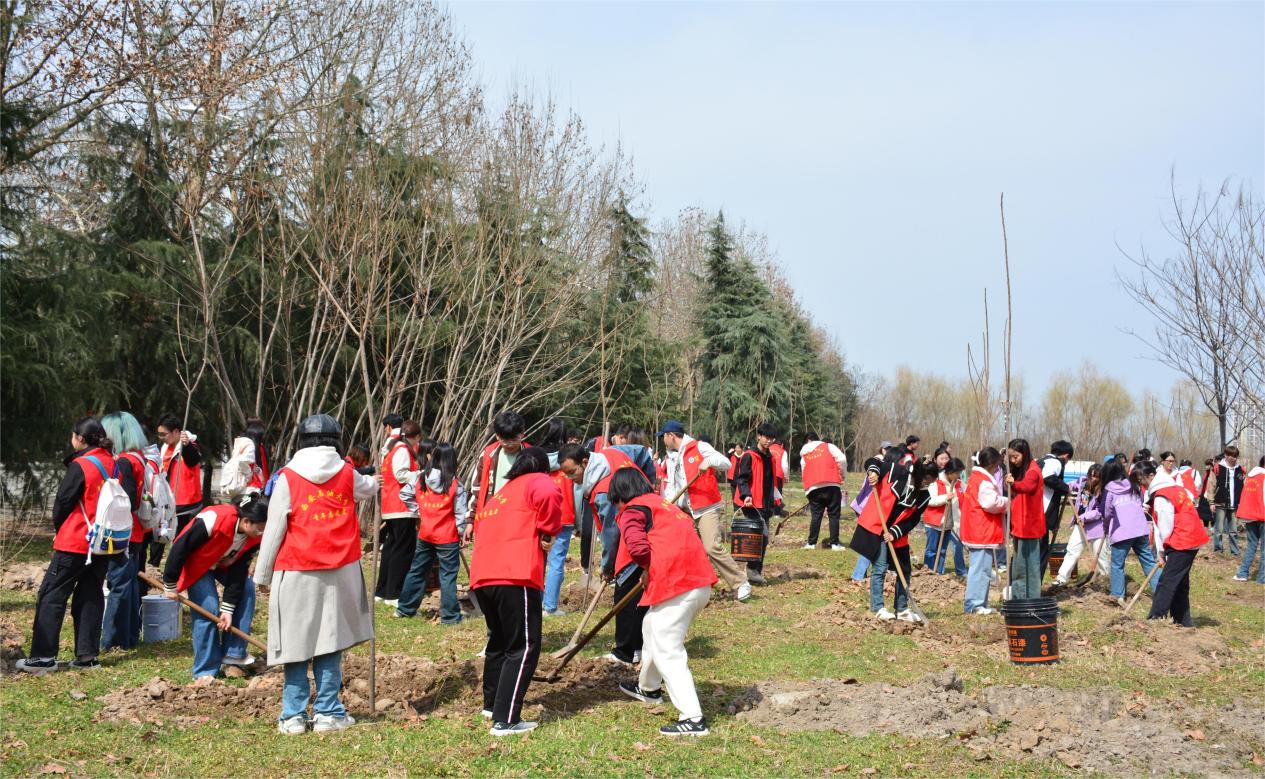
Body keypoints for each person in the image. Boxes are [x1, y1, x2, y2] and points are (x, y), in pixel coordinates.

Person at [254, 414, 380, 735]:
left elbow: (274, 529)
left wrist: (263, 575)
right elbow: (370, 487)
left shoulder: (287, 478)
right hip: (340, 571)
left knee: (296, 644)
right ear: (337, 440)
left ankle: (293, 716)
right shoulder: (349, 475)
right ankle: (327, 713)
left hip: (297, 568)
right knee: (330, 641)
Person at [608, 469, 718, 737]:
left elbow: (636, 546)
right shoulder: (664, 505)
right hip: (698, 582)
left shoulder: (633, 509)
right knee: (650, 626)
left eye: (615, 504)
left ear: (621, 496)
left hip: (676, 585)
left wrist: (645, 566)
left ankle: (693, 718)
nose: (617, 510)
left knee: (669, 649)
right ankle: (649, 687)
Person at [467, 447, 562, 736]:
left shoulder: (503, 493)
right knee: (523, 646)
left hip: (484, 576)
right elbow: (550, 496)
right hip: (515, 574)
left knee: (500, 641)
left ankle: (492, 705)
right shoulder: (538, 481)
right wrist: (548, 531)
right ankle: (506, 719)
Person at [17, 418, 119, 674]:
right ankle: (87, 657)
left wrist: (59, 528)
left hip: (76, 540)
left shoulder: (81, 465)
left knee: (51, 594)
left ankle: (42, 657)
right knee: (91, 594)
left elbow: (62, 503)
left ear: (79, 438)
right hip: (102, 542)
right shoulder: (113, 464)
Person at [558, 440, 657, 665]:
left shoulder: (603, 491)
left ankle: (624, 652)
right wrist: (649, 484)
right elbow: (641, 451)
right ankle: (639, 647)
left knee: (624, 597)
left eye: (572, 473)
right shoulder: (611, 452)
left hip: (632, 540)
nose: (571, 479)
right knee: (639, 595)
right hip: (644, 527)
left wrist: (608, 566)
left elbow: (612, 533)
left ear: (585, 462)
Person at [163, 493, 268, 677]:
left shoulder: (253, 538)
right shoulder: (214, 519)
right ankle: (205, 670)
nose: (261, 533)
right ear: (245, 522)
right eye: (259, 528)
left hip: (223, 564)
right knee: (208, 608)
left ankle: (233, 655)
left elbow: (238, 572)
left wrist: (227, 610)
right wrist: (170, 583)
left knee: (247, 588)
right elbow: (181, 547)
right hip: (198, 564)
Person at [660, 421, 752, 601]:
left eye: (663, 436)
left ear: (671, 436)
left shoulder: (699, 447)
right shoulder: (673, 457)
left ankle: (741, 583)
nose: (663, 440)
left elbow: (726, 463)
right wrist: (668, 504)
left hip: (705, 507)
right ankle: (695, 587)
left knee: (711, 547)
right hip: (685, 509)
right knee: (687, 548)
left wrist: (708, 461)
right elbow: (674, 484)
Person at [850, 454, 936, 622]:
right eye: (926, 480)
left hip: (897, 534)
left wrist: (895, 532)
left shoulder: (924, 496)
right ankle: (877, 607)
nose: (928, 484)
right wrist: (873, 472)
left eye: (931, 482)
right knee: (880, 567)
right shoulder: (895, 471)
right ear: (918, 474)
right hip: (877, 526)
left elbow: (913, 519)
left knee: (905, 570)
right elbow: (872, 461)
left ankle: (902, 609)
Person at [396, 443, 468, 623]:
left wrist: (420, 511)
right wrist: (460, 534)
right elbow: (460, 513)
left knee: (417, 571)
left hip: (425, 533)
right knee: (448, 575)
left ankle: (405, 609)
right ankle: (450, 617)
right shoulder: (455, 484)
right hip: (447, 536)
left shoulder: (421, 478)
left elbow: (404, 494)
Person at [100, 412, 149, 652]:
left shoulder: (123, 462)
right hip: (137, 532)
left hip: (123, 534)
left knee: (118, 585)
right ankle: (129, 637)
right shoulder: (140, 458)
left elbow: (125, 499)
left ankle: (111, 640)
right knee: (128, 585)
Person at [1147, 463, 1211, 625]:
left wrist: (1162, 551)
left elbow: (1165, 526)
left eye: (1142, 482)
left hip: (1183, 540)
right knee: (1180, 582)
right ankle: (1182, 621)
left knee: (1166, 582)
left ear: (1150, 478)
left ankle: (1155, 619)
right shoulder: (1176, 488)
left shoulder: (1162, 496)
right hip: (1192, 537)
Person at [376, 419, 423, 606]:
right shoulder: (403, 450)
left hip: (392, 505)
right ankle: (394, 593)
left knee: (391, 548)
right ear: (417, 437)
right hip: (402, 506)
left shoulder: (392, 448)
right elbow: (401, 474)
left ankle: (382, 590)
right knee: (402, 551)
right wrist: (420, 473)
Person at [149, 413, 204, 568]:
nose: (161, 438)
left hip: (184, 501)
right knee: (158, 534)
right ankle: (152, 567)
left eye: (163, 434)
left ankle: (176, 569)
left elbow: (193, 459)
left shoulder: (190, 444)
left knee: (180, 538)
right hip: (166, 498)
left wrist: (186, 446)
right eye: (159, 434)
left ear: (176, 432)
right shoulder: (165, 447)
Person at [1102, 459, 1158, 605]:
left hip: (1122, 532)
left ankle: (1117, 595)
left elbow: (1107, 512)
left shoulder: (1109, 489)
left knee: (1117, 564)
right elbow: (1139, 502)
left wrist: (1106, 528)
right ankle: (1161, 591)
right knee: (1149, 561)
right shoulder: (1134, 485)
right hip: (1140, 528)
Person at [960, 447, 1008, 615]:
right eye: (997, 465)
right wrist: (1007, 502)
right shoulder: (985, 481)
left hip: (976, 529)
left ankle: (979, 603)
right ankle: (974, 604)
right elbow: (990, 504)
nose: (997, 469)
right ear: (992, 464)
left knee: (981, 569)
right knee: (980, 570)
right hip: (981, 531)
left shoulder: (976, 478)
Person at [539, 419, 578, 616]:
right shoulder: (568, 458)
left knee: (538, 561)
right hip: (564, 516)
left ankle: (536, 602)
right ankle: (550, 606)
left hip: (542, 515)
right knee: (556, 562)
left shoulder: (537, 458)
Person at [733, 423, 780, 584]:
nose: (769, 441)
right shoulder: (749, 456)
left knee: (761, 537)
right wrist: (746, 495)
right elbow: (742, 478)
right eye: (766, 437)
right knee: (762, 536)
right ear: (759, 436)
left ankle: (754, 570)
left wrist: (776, 500)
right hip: (752, 503)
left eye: (771, 438)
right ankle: (753, 571)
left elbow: (771, 481)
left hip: (766, 503)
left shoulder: (770, 457)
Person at [1053, 464, 1109, 587]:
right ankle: (1061, 578)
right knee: (1072, 551)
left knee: (1100, 555)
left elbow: (1100, 511)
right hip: (1080, 525)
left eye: (1097, 477)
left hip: (1096, 527)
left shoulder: (1103, 491)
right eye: (1092, 476)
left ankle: (1105, 580)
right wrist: (1067, 487)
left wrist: (1084, 517)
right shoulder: (1082, 482)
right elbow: (1070, 485)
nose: (1094, 479)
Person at [1004, 438, 1045, 600]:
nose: (1013, 460)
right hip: (1019, 525)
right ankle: (1019, 596)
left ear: (1025, 453)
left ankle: (1031, 599)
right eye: (1011, 457)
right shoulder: (1020, 470)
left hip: (1030, 526)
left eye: (1016, 456)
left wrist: (1013, 484)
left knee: (1029, 568)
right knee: (1019, 567)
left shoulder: (1033, 471)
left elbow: (1027, 487)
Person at [798, 432, 848, 551]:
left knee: (816, 516)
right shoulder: (829, 446)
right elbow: (842, 459)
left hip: (813, 487)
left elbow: (803, 470)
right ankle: (835, 544)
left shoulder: (805, 454)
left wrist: (808, 488)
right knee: (834, 515)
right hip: (831, 483)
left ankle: (811, 543)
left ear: (808, 440)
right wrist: (842, 474)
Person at [924, 458, 967, 577]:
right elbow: (929, 500)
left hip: (948, 524)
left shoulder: (958, 483)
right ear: (949, 471)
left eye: (960, 473)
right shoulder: (936, 481)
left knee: (942, 551)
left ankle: (939, 572)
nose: (958, 476)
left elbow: (968, 491)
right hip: (934, 523)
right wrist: (944, 498)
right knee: (931, 550)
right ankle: (928, 573)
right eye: (956, 473)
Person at [1038, 441, 1074, 573]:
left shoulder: (1041, 461)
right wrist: (1066, 488)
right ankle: (1035, 588)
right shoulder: (1055, 462)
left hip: (1035, 512)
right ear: (1066, 456)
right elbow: (1048, 477)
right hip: (1042, 513)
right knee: (1041, 552)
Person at [1205, 445, 1245, 557]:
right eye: (1232, 456)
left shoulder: (1240, 469)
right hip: (1220, 502)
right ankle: (1218, 550)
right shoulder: (1218, 468)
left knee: (1233, 530)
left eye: (1236, 456)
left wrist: (1243, 502)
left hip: (1234, 503)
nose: (1234, 458)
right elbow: (1211, 485)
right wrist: (1211, 502)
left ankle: (1235, 552)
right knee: (1219, 529)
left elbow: (1244, 487)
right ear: (1226, 456)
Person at [1233, 456, 1265, 583]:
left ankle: (1242, 573)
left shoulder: (1250, 477)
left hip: (1250, 516)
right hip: (1262, 516)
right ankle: (1262, 578)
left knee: (1251, 545)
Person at [768, 435, 789, 514]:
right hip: (778, 475)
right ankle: (777, 512)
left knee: (768, 491)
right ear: (782, 444)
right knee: (778, 493)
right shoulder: (783, 451)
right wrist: (786, 476)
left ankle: (769, 510)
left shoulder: (768, 448)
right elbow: (784, 465)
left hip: (768, 474)